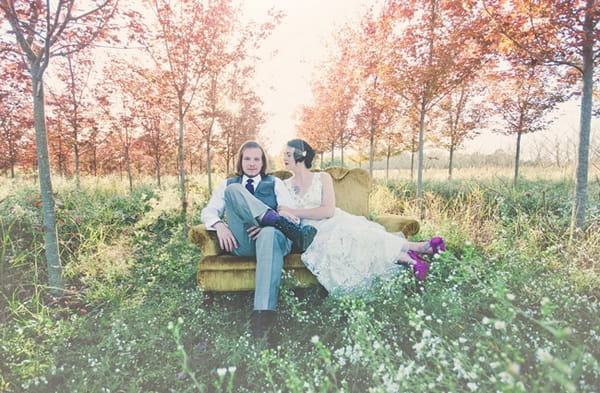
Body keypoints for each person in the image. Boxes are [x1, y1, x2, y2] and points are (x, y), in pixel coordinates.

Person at [277, 138, 446, 295]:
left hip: (332, 219)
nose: (284, 158)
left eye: (288, 154)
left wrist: (294, 211)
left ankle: (416, 253)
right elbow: (282, 212)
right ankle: (416, 255)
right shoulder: (283, 185)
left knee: (360, 234)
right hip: (311, 231)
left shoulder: (322, 177)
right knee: (344, 243)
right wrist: (285, 212)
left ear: (301, 156)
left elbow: (328, 211)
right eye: (284, 154)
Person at [200, 140, 317, 340]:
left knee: (269, 233)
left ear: (263, 163)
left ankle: (263, 321)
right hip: (242, 242)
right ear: (241, 161)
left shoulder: (275, 183)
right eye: (247, 159)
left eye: (257, 159)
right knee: (233, 192)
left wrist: (267, 225)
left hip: (271, 241)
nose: (252, 163)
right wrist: (219, 225)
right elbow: (209, 211)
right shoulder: (229, 184)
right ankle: (272, 221)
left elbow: (290, 213)